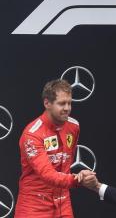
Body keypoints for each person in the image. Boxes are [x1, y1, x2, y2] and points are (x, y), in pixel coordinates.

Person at [15, 79, 82, 218]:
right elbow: (47, 174)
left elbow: (66, 165)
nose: (67, 108)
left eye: (69, 103)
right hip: (34, 206)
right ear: (47, 103)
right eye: (62, 103)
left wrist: (76, 178)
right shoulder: (32, 134)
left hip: (63, 203)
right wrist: (77, 179)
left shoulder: (74, 126)